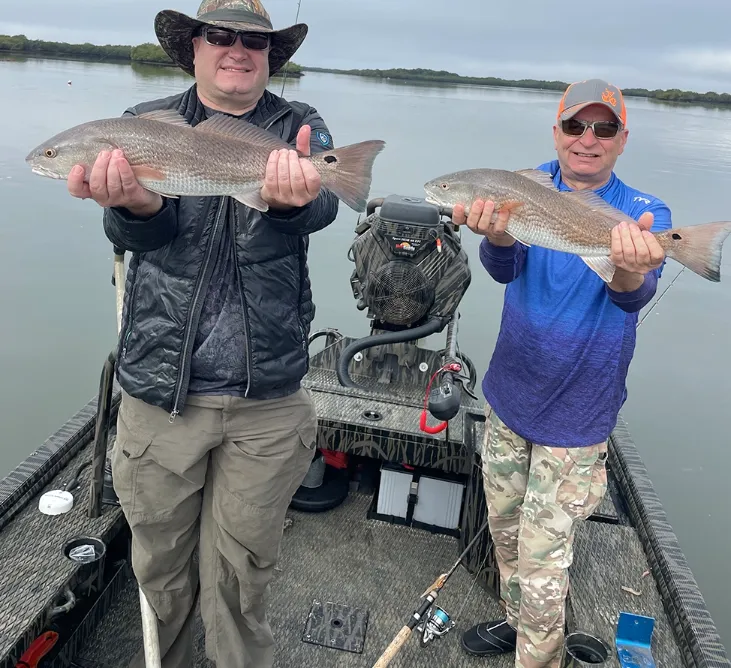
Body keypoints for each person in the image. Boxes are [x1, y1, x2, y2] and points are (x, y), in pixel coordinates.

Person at [66, 1, 340, 666]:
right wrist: (133, 204)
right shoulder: (143, 126)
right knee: (160, 563)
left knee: (243, 571)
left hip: (266, 400)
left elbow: (324, 205)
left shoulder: (296, 124)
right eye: (221, 36)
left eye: (255, 41)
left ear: (271, 56)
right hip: (162, 393)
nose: (238, 50)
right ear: (192, 47)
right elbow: (138, 236)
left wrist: (290, 203)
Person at [454, 79, 672, 667]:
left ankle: (539, 655)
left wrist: (628, 266)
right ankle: (515, 620)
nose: (587, 139)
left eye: (603, 128)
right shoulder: (521, 188)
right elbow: (503, 269)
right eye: (575, 125)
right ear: (556, 130)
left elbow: (634, 296)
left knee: (543, 558)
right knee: (505, 530)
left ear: (622, 139)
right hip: (509, 396)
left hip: (577, 415)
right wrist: (497, 234)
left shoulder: (642, 212)